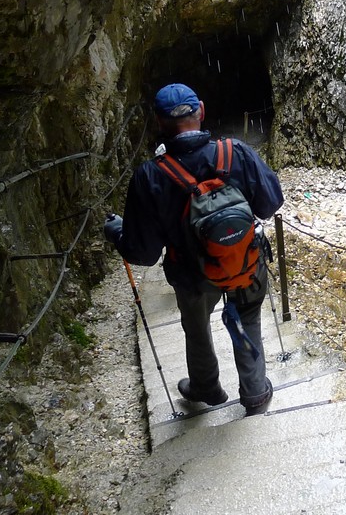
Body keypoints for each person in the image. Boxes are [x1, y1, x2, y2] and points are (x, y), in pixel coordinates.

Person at [103, 83, 284, 416]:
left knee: (196, 326)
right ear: (200, 110)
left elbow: (143, 253)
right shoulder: (236, 152)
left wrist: (117, 234)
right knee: (248, 318)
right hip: (245, 261)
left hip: (192, 274)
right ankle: (256, 392)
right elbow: (271, 202)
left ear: (158, 122)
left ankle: (206, 386)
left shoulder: (149, 177)